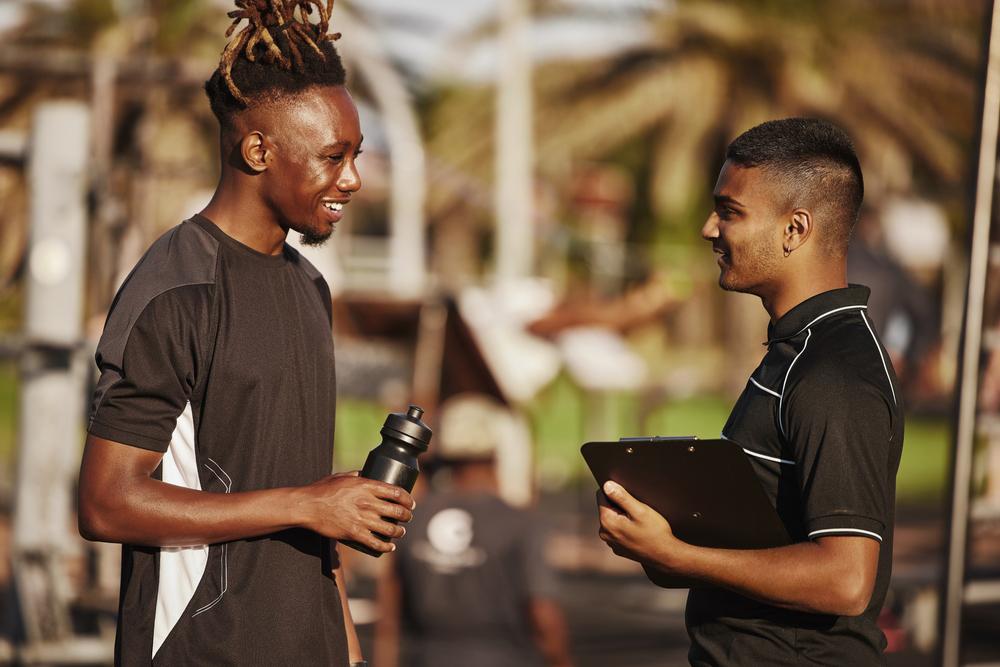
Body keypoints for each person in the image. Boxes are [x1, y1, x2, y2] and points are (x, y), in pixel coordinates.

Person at [77, 3, 414, 665]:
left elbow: (312, 500)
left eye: (357, 155)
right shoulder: (175, 290)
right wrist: (307, 504)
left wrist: (346, 647)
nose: (353, 179)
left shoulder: (309, 288)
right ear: (258, 149)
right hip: (203, 649)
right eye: (333, 156)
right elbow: (106, 502)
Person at [597, 118, 903, 665]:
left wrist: (682, 555)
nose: (709, 229)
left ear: (795, 229)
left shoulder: (834, 373)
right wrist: (660, 538)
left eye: (730, 212)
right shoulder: (797, 349)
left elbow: (846, 579)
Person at [375, 394, 573, 667]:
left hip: (425, 659)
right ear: (496, 451)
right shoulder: (521, 522)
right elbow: (543, 613)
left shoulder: (412, 514)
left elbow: (389, 610)